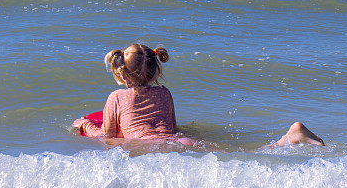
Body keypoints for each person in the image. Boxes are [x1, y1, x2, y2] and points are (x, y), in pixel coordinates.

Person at [72, 43, 324, 148]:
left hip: (154, 148)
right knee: (240, 155)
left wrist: (83, 124)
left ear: (122, 74)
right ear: (156, 69)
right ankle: (287, 138)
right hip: (179, 142)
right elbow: (170, 127)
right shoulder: (165, 93)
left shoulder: (116, 97)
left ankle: (289, 138)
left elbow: (108, 135)